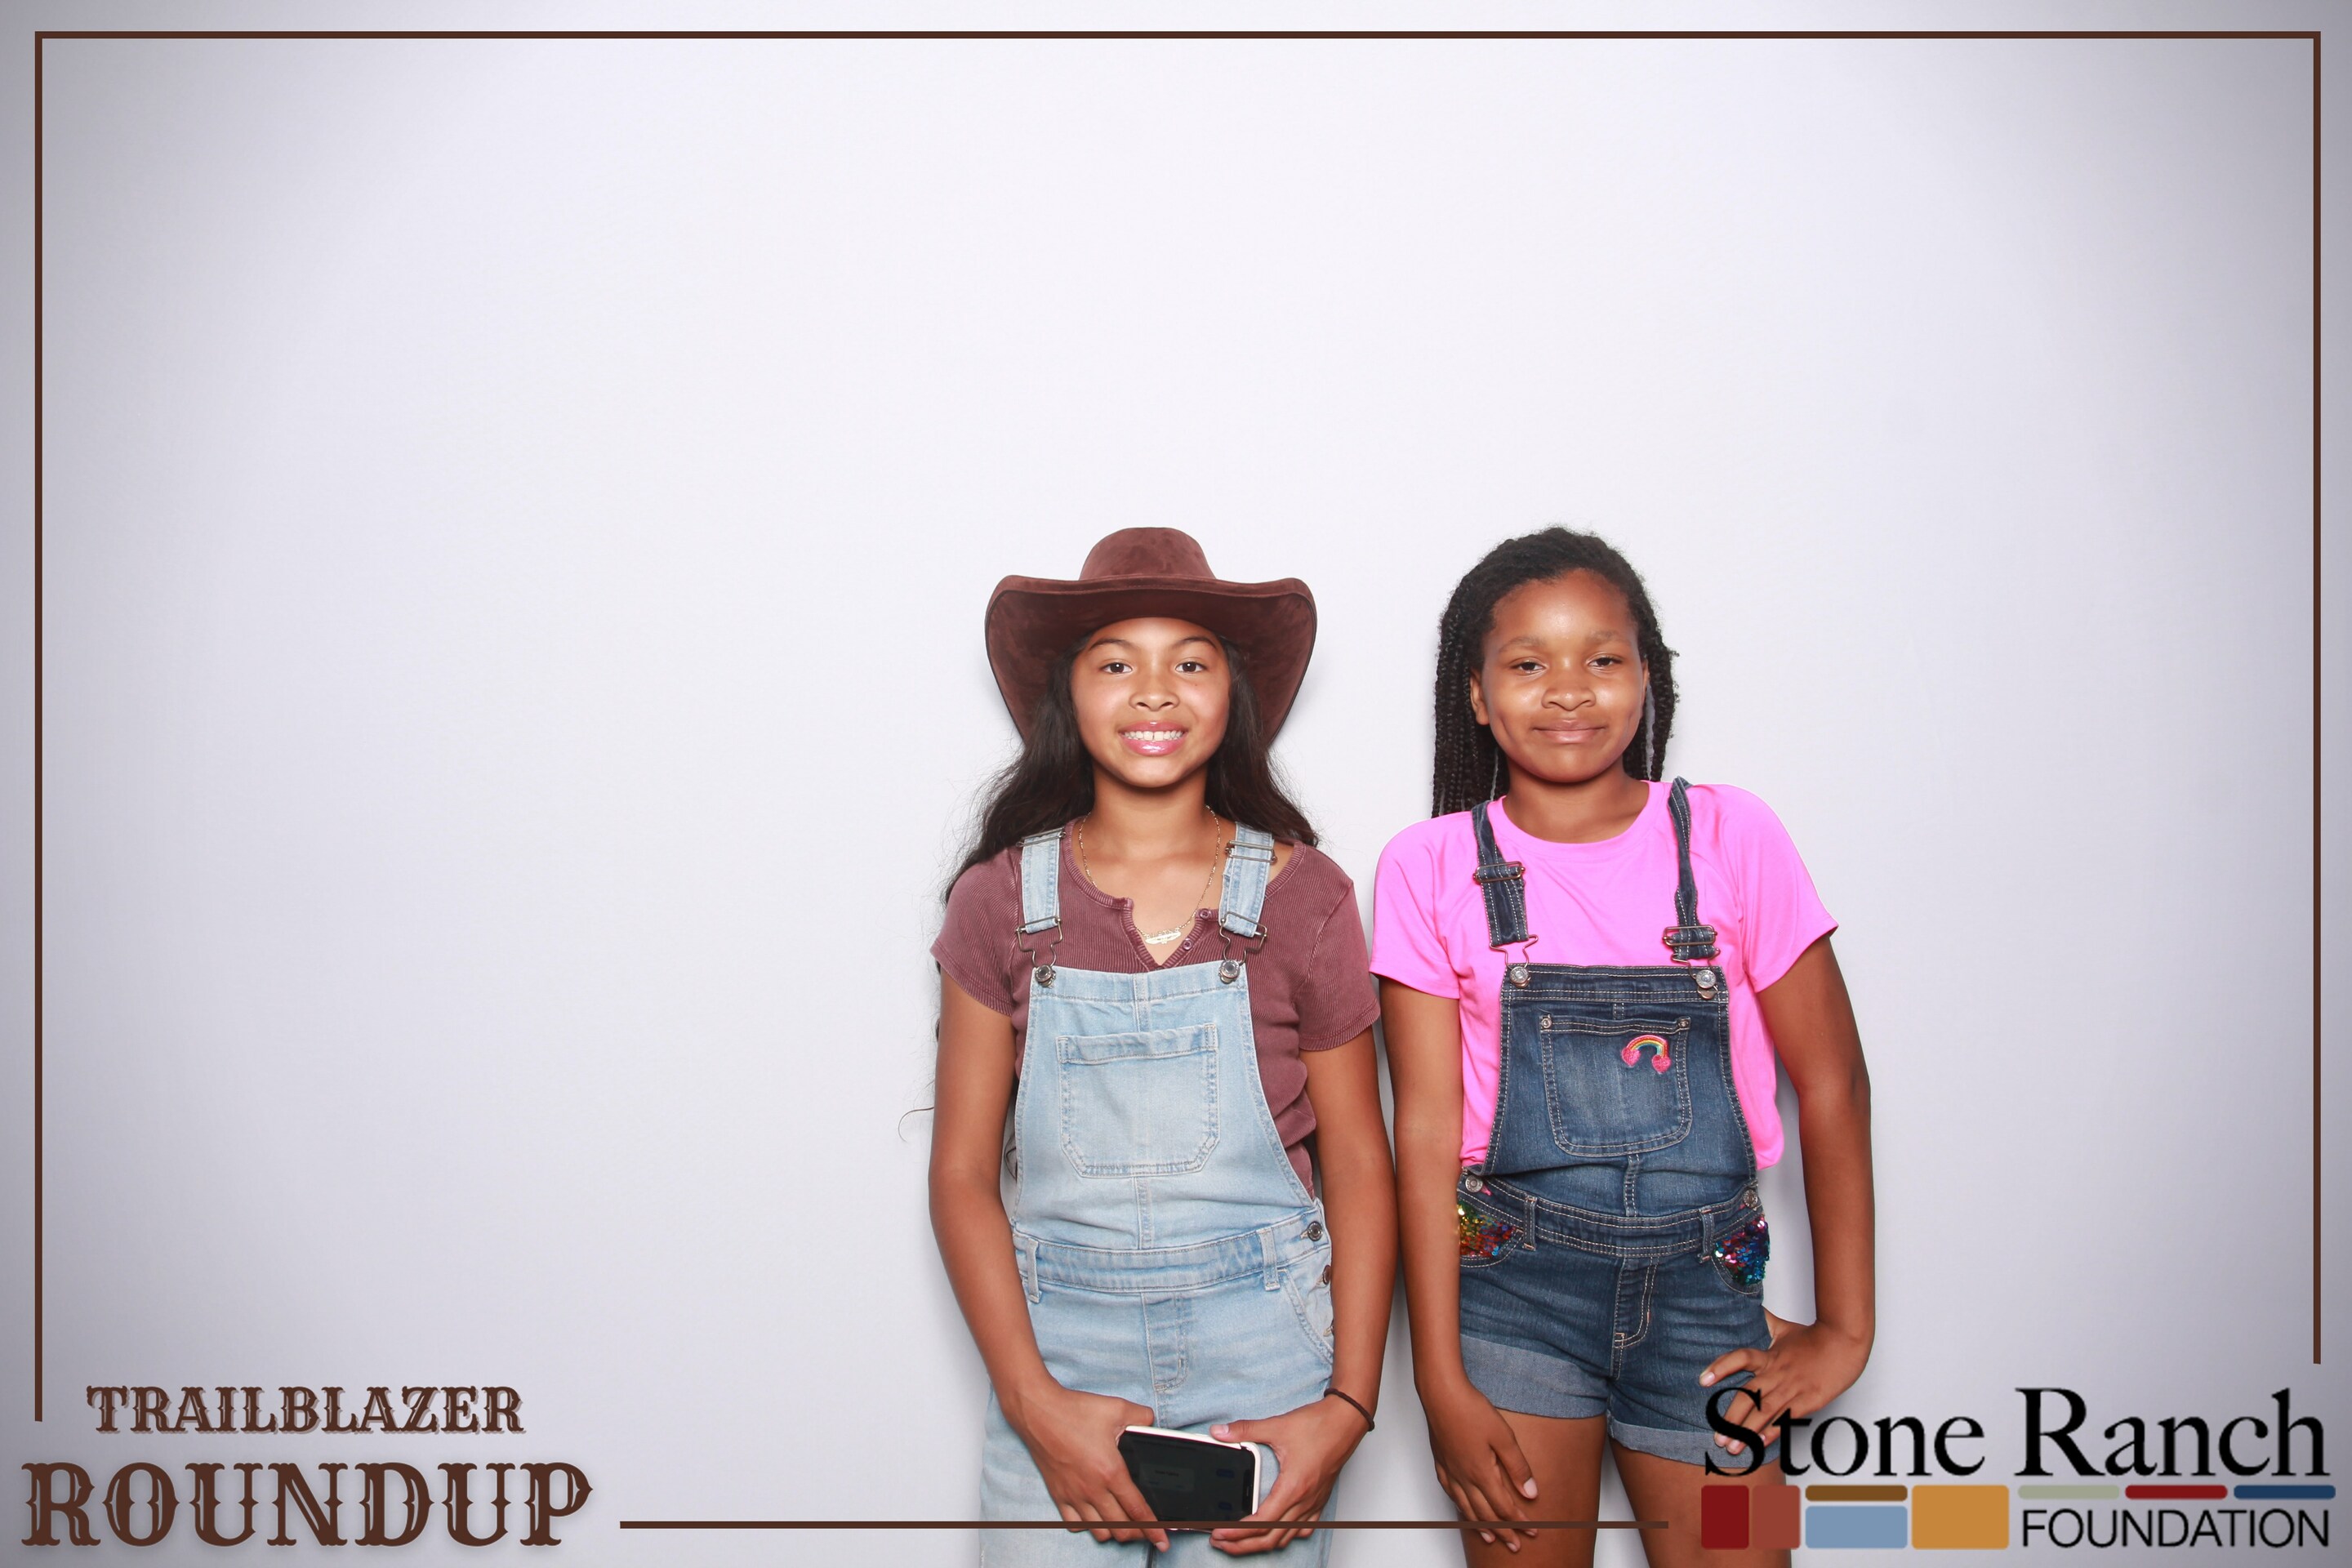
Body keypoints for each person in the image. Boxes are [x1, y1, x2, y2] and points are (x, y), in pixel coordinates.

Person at [1374, 528, 1875, 1567]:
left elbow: (1833, 1083)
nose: (1569, 690)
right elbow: (1420, 1132)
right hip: (1513, 1297)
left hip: (1709, 1302)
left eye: (1603, 658)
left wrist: (1847, 1329)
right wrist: (1437, 1378)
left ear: (1649, 678)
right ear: (1476, 695)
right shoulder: (1427, 866)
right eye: (1528, 664)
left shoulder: (1734, 835)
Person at [930, 528, 1396, 1563]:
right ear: (1067, 691)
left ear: (1233, 694)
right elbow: (961, 1174)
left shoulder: (1307, 898)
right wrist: (1030, 1400)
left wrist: (1349, 1406)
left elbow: (1363, 1163)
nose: (1153, 692)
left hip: (1266, 1366)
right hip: (1059, 1363)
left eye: (1190, 663)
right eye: (1115, 664)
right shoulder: (996, 901)